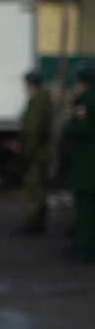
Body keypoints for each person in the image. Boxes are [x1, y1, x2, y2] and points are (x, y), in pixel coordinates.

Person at [62, 66, 95, 262]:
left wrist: (69, 127)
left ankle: (85, 250)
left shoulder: (85, 103)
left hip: (87, 167)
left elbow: (80, 129)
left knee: (85, 212)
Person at [17, 71, 52, 235]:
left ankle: (34, 223)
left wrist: (26, 152)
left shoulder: (37, 102)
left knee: (34, 189)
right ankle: (36, 222)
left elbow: (33, 130)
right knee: (38, 188)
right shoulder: (43, 100)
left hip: (35, 154)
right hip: (40, 152)